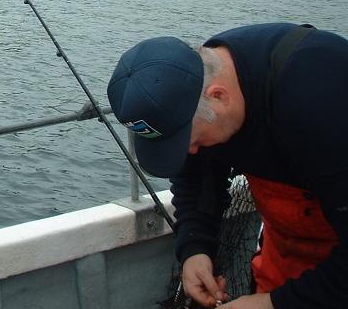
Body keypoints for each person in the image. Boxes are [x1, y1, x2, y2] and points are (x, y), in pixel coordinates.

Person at [107, 23, 348, 309]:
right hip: (285, 252)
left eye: (192, 140)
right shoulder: (195, 86)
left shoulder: (323, 104)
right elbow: (195, 179)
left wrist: (271, 304)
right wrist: (195, 249)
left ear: (219, 96)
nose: (192, 151)